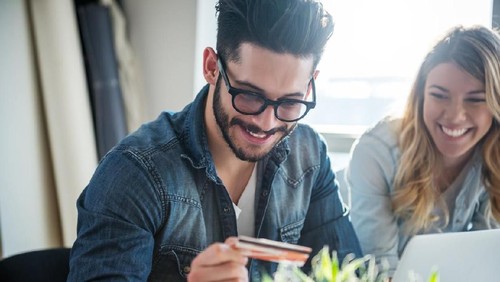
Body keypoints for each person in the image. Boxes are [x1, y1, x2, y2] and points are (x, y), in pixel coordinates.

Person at [68, 0, 363, 281]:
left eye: (289, 102)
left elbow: (352, 274)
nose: (267, 123)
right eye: (249, 95)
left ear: (311, 84)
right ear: (211, 67)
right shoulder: (135, 174)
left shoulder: (309, 156)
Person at [346, 25, 500, 278]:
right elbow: (380, 270)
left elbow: (487, 259)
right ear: (420, 96)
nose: (455, 116)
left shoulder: (492, 154)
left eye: (475, 99)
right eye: (439, 95)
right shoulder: (377, 152)